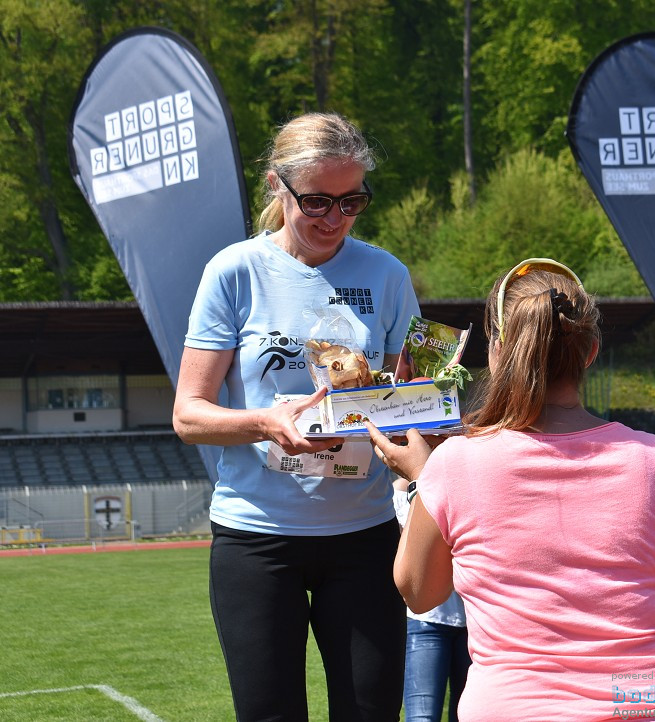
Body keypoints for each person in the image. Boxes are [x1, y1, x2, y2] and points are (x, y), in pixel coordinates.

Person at [366, 258, 655, 721]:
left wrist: (420, 482)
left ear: (497, 348)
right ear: (590, 351)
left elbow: (418, 592)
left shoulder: (454, 464)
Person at [173, 112, 418, 721]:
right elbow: (189, 414)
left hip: (364, 537)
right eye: (317, 201)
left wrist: (415, 412)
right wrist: (266, 424)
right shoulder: (233, 271)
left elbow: (408, 398)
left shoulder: (386, 274)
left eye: (352, 201)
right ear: (278, 188)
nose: (334, 219)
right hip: (257, 540)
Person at [391, 477, 471, 721]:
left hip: (475, 621)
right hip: (426, 620)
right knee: (422, 717)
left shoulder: (471, 475)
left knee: (471, 715)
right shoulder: (400, 491)